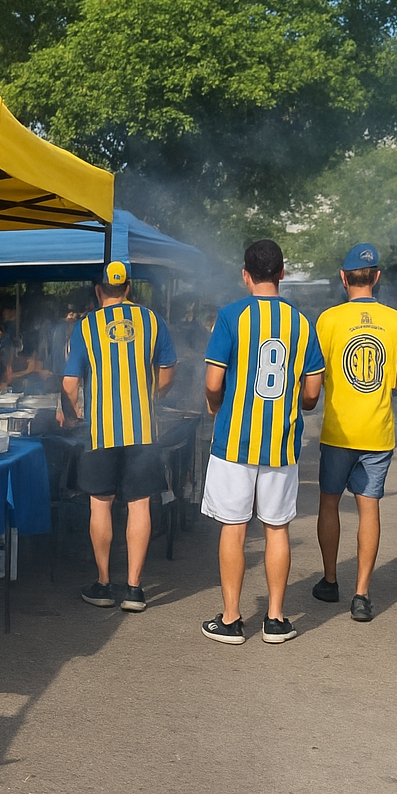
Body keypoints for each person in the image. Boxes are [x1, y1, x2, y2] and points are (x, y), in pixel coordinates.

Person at [200, 239, 325, 645]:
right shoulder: (302, 322)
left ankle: (233, 619)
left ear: (245, 274)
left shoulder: (230, 316)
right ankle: (275, 619)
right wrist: (299, 405)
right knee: (277, 529)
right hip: (281, 444)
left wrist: (215, 406)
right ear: (283, 273)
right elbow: (312, 392)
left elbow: (213, 381)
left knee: (234, 528)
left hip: (234, 441)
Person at [61, 262, 177, 612]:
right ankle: (134, 589)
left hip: (101, 431)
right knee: (140, 504)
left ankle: (103, 583)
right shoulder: (153, 321)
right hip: (142, 430)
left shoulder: (85, 326)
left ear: (99, 291)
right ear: (129, 288)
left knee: (102, 505)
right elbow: (168, 374)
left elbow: (69, 384)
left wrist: (69, 414)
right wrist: (151, 396)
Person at [312, 244, 397, 622]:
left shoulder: (328, 320)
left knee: (329, 502)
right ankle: (361, 594)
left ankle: (329, 581)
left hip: (338, 431)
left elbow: (315, 377)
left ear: (343, 278)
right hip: (378, 433)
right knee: (368, 507)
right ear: (377, 277)